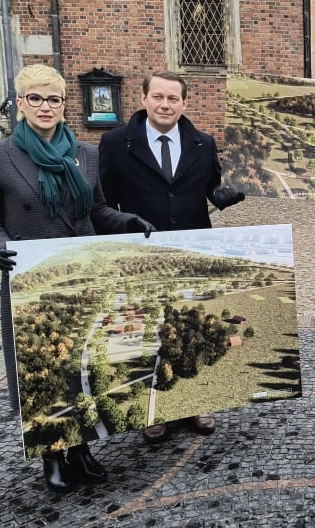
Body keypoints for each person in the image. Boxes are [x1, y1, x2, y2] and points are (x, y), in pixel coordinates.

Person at [0, 64, 154, 493]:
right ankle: (52, 451)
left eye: (53, 99)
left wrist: (126, 221)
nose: (45, 106)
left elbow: (95, 210)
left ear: (64, 104)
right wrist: (0, 248)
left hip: (83, 274)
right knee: (45, 370)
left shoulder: (86, 153)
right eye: (35, 98)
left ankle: (82, 447)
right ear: (20, 104)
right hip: (32, 276)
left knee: (83, 362)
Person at [99, 70, 244, 443]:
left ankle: (194, 401)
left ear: (184, 103)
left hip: (191, 250)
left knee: (190, 325)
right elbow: (103, 203)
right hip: (140, 252)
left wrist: (222, 196)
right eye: (158, 97)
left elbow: (210, 187)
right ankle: (155, 408)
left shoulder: (203, 143)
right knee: (149, 330)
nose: (165, 105)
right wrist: (123, 227)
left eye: (173, 99)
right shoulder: (116, 143)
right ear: (144, 99)